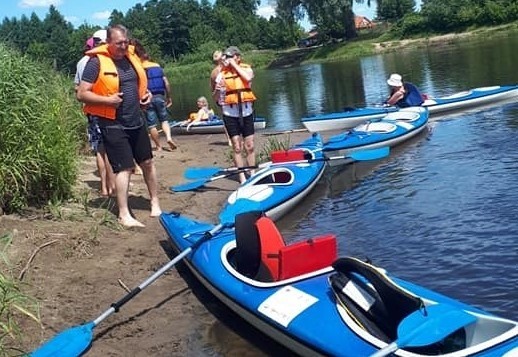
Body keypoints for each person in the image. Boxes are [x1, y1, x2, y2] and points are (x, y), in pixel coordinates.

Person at [76, 24, 161, 228]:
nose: (123, 46)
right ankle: (124, 214)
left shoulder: (131, 59)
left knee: (147, 162)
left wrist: (146, 96)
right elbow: (81, 93)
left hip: (136, 120)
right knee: (124, 168)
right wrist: (107, 101)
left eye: (125, 42)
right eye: (118, 43)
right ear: (108, 43)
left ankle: (155, 202)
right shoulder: (95, 63)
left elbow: (139, 86)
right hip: (112, 123)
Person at [74, 31, 115, 197]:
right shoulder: (106, 60)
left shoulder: (82, 61)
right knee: (111, 148)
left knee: (99, 149)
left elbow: (77, 88)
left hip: (91, 111)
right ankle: (112, 187)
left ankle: (104, 187)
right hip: (108, 110)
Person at [215, 46, 257, 183]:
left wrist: (233, 64)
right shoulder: (222, 74)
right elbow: (216, 98)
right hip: (230, 113)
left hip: (246, 112)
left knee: (249, 145)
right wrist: (217, 90)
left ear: (238, 57)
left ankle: (253, 173)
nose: (227, 60)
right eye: (226, 57)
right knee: (237, 146)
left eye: (230, 57)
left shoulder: (247, 69)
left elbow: (247, 77)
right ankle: (241, 176)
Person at [130, 39, 177, 151]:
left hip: (147, 98)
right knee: (164, 120)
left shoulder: (139, 68)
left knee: (151, 124)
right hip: (160, 96)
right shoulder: (157, 66)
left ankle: (158, 146)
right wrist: (169, 97)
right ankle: (169, 137)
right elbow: (166, 83)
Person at [210, 50, 231, 145]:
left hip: (221, 96)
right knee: (228, 118)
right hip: (225, 96)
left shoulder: (214, 71)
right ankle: (231, 139)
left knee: (225, 118)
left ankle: (230, 139)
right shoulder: (221, 69)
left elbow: (212, 88)